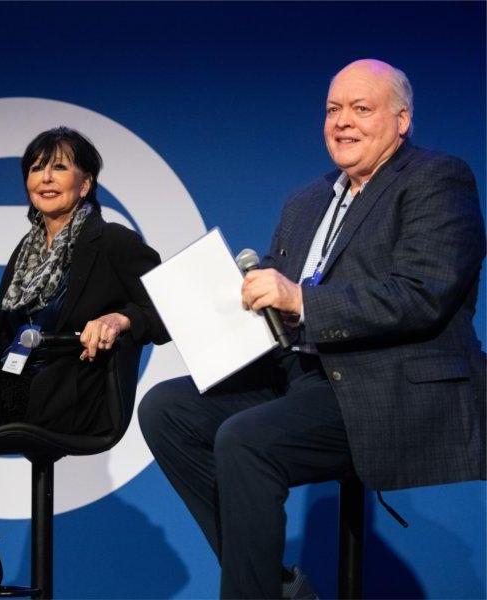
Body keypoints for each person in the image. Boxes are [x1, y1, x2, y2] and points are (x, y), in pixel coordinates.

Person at [138, 59, 486, 599]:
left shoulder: (437, 179)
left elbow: (423, 294)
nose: (342, 121)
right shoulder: (305, 201)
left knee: (246, 439)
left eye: (360, 109)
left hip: (384, 385)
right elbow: (281, 298)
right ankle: (273, 587)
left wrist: (300, 298)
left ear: (402, 120)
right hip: (303, 371)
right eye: (332, 109)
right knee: (165, 409)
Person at [0, 126, 168, 599]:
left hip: (66, 391)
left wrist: (120, 318)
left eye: (59, 165)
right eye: (36, 167)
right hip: (11, 382)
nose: (45, 176)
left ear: (86, 183)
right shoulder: (28, 250)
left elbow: (170, 307)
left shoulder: (113, 243)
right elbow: (3, 339)